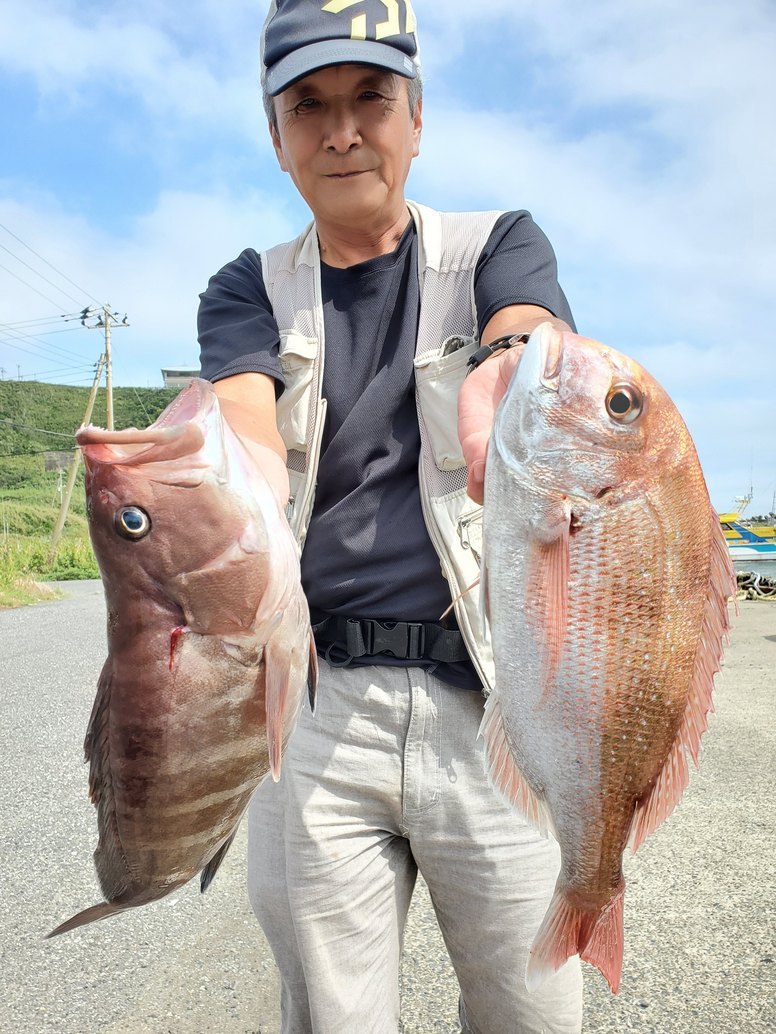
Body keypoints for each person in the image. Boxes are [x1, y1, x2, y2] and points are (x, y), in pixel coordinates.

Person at [197, 2, 584, 1031]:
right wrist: (206, 471)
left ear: (416, 119)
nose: (341, 132)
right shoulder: (247, 286)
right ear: (275, 136)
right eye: (307, 107)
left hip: (490, 702)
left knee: (533, 1010)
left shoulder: (497, 244)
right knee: (334, 1015)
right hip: (315, 706)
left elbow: (525, 325)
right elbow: (244, 416)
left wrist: (512, 367)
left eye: (370, 98)